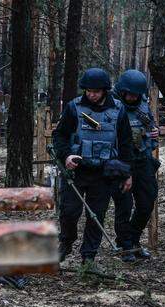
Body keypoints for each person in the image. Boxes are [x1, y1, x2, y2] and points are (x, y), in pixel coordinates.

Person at [52, 68, 134, 266]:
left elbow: (125, 143)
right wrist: (66, 155)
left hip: (104, 173)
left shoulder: (118, 110)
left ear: (104, 90)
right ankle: (66, 243)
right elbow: (60, 136)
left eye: (96, 91)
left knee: (96, 215)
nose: (91, 94)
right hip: (76, 170)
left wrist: (127, 172)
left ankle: (88, 256)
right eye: (88, 91)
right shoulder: (74, 107)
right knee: (69, 211)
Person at [111, 69, 160, 262]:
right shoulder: (113, 107)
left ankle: (134, 240)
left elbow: (151, 129)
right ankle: (125, 245)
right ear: (122, 91)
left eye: (136, 94)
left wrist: (155, 133)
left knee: (147, 202)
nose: (132, 97)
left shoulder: (143, 106)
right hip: (121, 162)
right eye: (129, 94)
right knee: (124, 205)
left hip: (143, 160)